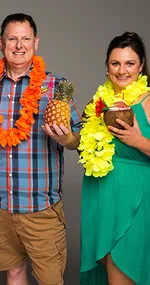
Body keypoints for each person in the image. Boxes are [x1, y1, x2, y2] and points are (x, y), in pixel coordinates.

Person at [0, 13, 82, 285]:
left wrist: (66, 139)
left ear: (36, 42)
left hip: (41, 209)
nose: (19, 45)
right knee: (14, 273)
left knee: (50, 280)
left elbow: (80, 138)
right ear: (0, 42)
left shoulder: (55, 88)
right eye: (12, 39)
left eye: (25, 39)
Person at [79, 32, 150, 285]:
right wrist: (63, 137)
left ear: (141, 65)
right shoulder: (100, 101)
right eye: (115, 63)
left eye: (130, 63)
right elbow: (80, 143)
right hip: (102, 198)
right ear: (107, 66)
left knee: (125, 270)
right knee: (108, 273)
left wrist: (138, 141)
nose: (122, 71)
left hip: (137, 200)